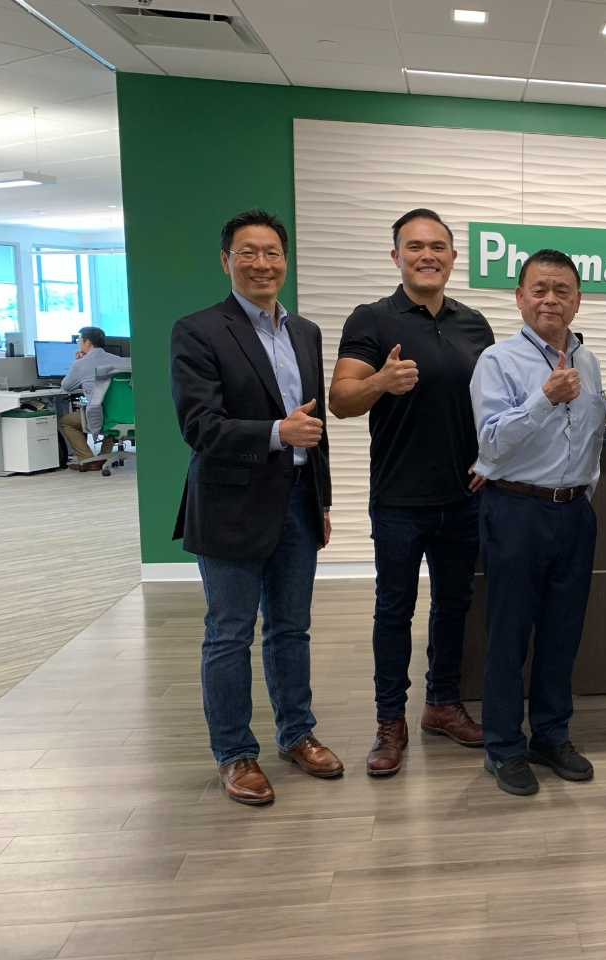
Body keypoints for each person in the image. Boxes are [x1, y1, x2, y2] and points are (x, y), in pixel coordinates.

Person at [170, 209, 342, 805]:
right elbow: (199, 425)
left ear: (285, 261)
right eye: (248, 252)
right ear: (226, 261)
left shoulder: (305, 332)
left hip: (297, 502)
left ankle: (297, 734)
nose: (262, 263)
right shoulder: (198, 330)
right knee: (229, 633)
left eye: (272, 252)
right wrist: (275, 433)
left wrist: (320, 499)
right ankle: (235, 753)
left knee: (291, 628)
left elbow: (314, 427)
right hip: (230, 506)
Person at [330, 209, 494, 777]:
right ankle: (389, 720)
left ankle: (442, 704)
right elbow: (341, 400)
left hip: (464, 498)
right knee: (394, 610)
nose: (428, 255)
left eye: (438, 246)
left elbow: (491, 405)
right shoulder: (372, 318)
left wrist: (490, 456)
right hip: (400, 498)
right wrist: (381, 381)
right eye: (415, 246)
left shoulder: (474, 324)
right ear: (396, 256)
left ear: (453, 256)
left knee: (455, 605)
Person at [469, 249, 606, 797]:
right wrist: (544, 398)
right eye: (540, 289)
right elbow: (490, 444)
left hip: (573, 513)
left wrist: (584, 492)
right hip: (516, 511)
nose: (551, 299)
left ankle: (551, 735)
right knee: (509, 634)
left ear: (578, 299)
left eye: (562, 290)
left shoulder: (588, 359)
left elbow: (591, 434)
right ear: (520, 297)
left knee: (561, 634)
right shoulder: (497, 361)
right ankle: (504, 746)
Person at [60, 326, 125, 470]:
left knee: (67, 421)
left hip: (101, 416)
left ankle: (88, 460)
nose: (78, 343)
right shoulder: (121, 361)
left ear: (88, 343)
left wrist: (76, 363)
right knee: (110, 412)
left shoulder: (80, 364)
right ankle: (104, 457)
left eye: (79, 340)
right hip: (123, 414)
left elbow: (67, 386)